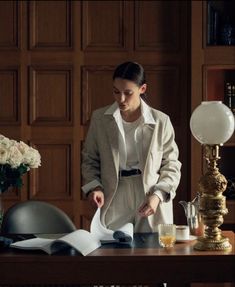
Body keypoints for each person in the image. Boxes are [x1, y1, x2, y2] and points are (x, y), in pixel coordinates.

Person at [82, 61, 181, 233]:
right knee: (113, 253)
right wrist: (95, 188)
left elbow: (171, 165)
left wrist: (157, 196)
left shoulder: (161, 121)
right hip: (114, 194)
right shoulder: (100, 119)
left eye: (128, 93)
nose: (121, 99)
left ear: (142, 89)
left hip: (149, 195)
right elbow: (89, 159)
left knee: (152, 253)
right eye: (116, 92)